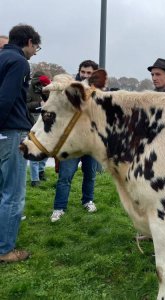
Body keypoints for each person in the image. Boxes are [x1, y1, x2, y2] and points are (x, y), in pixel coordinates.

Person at [0, 24, 41, 263]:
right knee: (13, 193)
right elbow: (6, 98)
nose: (35, 52)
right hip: (10, 131)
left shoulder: (2, 58)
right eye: (36, 46)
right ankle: (5, 250)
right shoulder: (19, 62)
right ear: (28, 42)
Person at [50, 60, 99, 222]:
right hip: (71, 143)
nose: (85, 75)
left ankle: (88, 200)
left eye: (89, 73)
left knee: (90, 175)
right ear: (79, 71)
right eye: (83, 71)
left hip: (90, 143)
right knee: (65, 176)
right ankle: (59, 207)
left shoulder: (99, 91)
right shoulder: (68, 88)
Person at [27, 71, 51, 187]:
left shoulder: (46, 89)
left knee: (46, 151)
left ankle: (41, 172)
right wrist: (38, 103)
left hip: (45, 124)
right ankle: (34, 179)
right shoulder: (28, 89)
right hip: (33, 124)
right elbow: (24, 106)